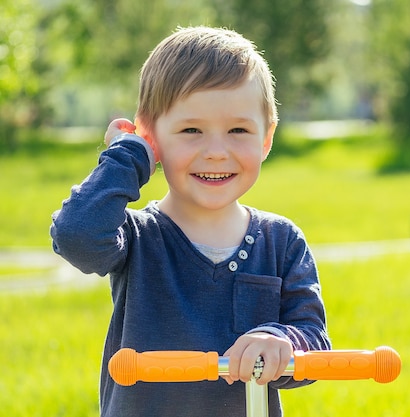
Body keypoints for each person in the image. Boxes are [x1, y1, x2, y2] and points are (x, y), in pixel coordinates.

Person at [50, 26, 330, 417]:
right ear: (152, 136)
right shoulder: (137, 237)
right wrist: (127, 158)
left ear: (266, 138)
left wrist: (279, 340)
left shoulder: (281, 242)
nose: (216, 152)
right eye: (191, 130)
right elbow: (76, 235)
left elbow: (314, 340)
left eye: (238, 130)